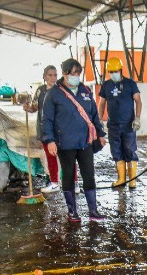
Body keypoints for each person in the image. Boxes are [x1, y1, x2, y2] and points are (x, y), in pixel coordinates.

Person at [41, 58, 106, 222]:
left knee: (89, 175)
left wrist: (101, 133)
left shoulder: (85, 90)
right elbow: (47, 119)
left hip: (85, 142)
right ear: (64, 74)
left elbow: (94, 115)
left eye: (78, 73)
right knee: (68, 176)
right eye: (73, 73)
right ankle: (72, 211)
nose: (76, 76)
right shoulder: (54, 94)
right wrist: (50, 140)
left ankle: (93, 211)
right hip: (65, 143)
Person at [24, 65, 79, 194]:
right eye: (50, 75)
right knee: (51, 157)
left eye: (55, 75)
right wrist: (28, 108)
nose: (53, 78)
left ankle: (74, 182)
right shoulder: (40, 91)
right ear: (44, 76)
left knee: (69, 157)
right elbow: (35, 108)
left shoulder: (62, 90)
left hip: (62, 129)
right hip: (45, 129)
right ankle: (54, 182)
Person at [98, 57, 142, 189]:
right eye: (110, 71)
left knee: (129, 150)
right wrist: (99, 119)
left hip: (128, 125)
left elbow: (138, 101)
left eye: (115, 71)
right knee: (116, 152)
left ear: (121, 70)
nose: (113, 74)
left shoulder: (130, 84)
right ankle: (121, 179)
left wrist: (137, 118)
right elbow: (101, 103)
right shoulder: (106, 85)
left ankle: (132, 180)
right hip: (113, 126)